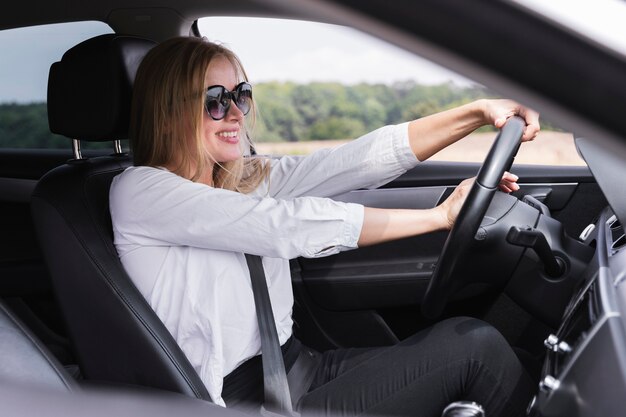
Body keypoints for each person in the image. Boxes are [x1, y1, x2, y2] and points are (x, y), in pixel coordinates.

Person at [110, 36, 540, 417]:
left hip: (296, 368)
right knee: (474, 350)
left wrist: (478, 112)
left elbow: (351, 162)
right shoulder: (141, 191)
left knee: (510, 354)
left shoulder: (240, 179)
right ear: (168, 112)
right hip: (243, 402)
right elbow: (284, 227)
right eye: (215, 100)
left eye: (240, 95)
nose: (236, 113)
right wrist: (438, 218)